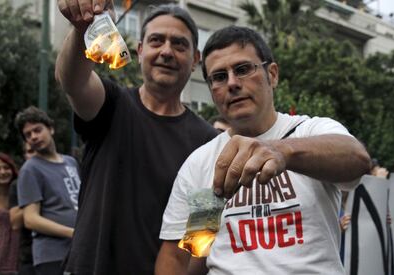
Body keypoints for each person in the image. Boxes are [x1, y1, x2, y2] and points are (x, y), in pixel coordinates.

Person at [156, 26, 371, 274]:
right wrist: (208, 224)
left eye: (243, 69)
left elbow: (357, 159)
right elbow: (179, 257)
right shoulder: (201, 162)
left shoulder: (310, 130)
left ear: (273, 74)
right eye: (219, 77)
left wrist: (282, 151)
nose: (233, 83)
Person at [55, 2, 217, 274]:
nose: (166, 51)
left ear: (195, 60)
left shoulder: (209, 142)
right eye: (156, 41)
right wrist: (82, 28)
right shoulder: (111, 104)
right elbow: (72, 80)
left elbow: (200, 238)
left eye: (179, 45)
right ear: (140, 51)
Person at [15, 106, 81, 275]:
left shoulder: (71, 162)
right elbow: (30, 219)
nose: (34, 137)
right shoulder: (30, 169)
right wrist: (72, 233)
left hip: (79, 252)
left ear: (51, 128)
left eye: (37, 130)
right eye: (28, 135)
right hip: (52, 256)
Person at [9, 142, 36, 275]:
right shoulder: (17, 184)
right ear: (25, 156)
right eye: (30, 151)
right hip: (29, 257)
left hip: (62, 252)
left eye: (37, 150)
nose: (35, 154)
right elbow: (15, 223)